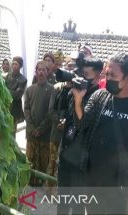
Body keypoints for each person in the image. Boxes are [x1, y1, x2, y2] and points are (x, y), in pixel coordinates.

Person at [72, 53, 128, 214]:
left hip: (120, 186)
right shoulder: (100, 96)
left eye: (113, 75)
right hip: (93, 180)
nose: (108, 78)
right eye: (107, 74)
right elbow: (82, 124)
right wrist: (78, 101)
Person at [57, 56, 103, 214]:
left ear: (98, 76)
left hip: (81, 163)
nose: (82, 78)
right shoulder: (75, 90)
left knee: (77, 206)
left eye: (87, 75)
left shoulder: (99, 98)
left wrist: (80, 100)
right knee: (62, 203)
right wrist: (66, 89)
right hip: (65, 156)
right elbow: (62, 109)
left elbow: (86, 125)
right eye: (81, 74)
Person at [24, 61, 54, 186]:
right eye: (39, 70)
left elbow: (51, 112)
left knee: (43, 158)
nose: (41, 72)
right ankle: (30, 179)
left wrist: (40, 129)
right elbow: (26, 109)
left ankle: (40, 180)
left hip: (45, 133)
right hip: (31, 131)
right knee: (30, 158)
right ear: (36, 72)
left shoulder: (52, 89)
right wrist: (31, 127)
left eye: (44, 70)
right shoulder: (30, 90)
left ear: (47, 72)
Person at [5, 56, 27, 134]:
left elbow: (17, 95)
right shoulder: (7, 76)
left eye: (16, 64)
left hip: (14, 109)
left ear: (20, 66)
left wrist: (6, 90)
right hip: (6, 107)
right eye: (13, 64)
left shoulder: (23, 79)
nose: (14, 66)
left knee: (12, 132)